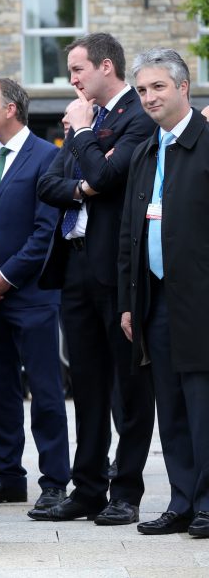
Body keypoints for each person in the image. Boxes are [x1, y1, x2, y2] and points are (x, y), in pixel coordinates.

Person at [33, 33, 156, 525]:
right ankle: (87, 489)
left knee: (129, 386)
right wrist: (87, 174)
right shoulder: (91, 122)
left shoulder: (138, 115)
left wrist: (84, 140)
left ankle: (125, 491)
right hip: (76, 264)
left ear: (107, 67)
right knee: (85, 383)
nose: (73, 80)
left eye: (79, 69)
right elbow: (49, 184)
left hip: (118, 267)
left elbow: (111, 180)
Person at [0, 78, 70, 513]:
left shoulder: (49, 157)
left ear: (11, 109)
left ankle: (55, 482)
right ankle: (8, 476)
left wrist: (6, 277)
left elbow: (47, 232)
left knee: (45, 391)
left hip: (32, 297)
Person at [119, 48, 209, 538]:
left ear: (182, 87)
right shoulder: (146, 152)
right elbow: (129, 233)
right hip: (154, 301)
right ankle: (182, 500)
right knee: (170, 409)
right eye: (142, 90)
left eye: (158, 87)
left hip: (200, 301)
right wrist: (129, 302)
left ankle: (208, 504)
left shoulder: (207, 143)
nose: (149, 97)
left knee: (203, 409)